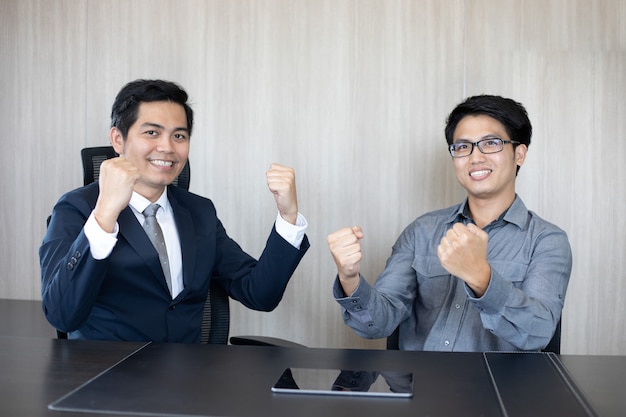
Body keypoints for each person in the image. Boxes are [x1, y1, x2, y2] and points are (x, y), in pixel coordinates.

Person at [40, 79, 309, 343]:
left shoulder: (199, 211)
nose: (168, 147)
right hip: (110, 378)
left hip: (188, 377)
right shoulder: (77, 209)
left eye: (178, 135)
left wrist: (288, 218)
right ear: (118, 140)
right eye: (152, 133)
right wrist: (104, 217)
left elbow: (259, 293)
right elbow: (62, 315)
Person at [327, 95, 572, 352]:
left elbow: (538, 333)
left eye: (490, 143)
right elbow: (376, 325)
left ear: (519, 154)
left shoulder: (547, 241)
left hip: (499, 390)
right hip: (419, 389)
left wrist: (481, 277)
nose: (475, 157)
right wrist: (349, 278)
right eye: (463, 147)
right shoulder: (421, 232)